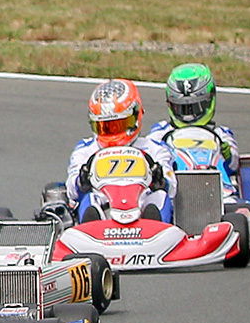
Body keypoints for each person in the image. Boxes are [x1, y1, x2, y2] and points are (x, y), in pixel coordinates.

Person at [65, 78, 176, 222]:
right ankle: (92, 233)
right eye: (106, 127)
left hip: (142, 212)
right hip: (105, 213)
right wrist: (82, 180)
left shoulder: (154, 148)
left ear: (136, 116)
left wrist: (160, 179)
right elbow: (71, 191)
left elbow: (172, 187)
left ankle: (156, 231)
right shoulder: (86, 150)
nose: (112, 133)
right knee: (89, 199)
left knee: (161, 197)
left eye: (118, 125)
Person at [145, 63, 238, 177]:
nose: (189, 114)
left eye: (196, 107)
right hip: (175, 189)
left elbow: (234, 165)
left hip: (220, 191)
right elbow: (146, 158)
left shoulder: (221, 133)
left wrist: (229, 155)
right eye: (181, 108)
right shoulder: (161, 131)